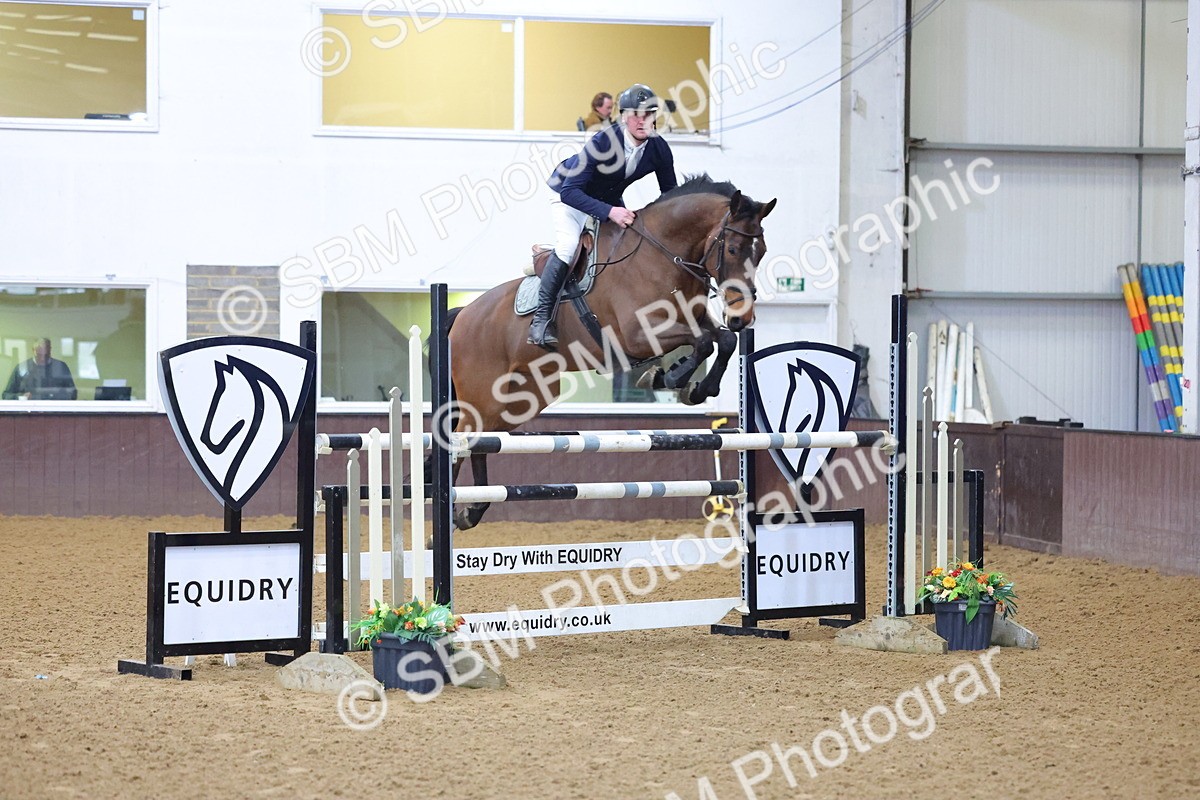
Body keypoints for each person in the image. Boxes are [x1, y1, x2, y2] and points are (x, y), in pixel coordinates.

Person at [532, 83, 678, 351]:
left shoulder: (659, 148)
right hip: (568, 194)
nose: (642, 121)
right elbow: (570, 192)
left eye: (648, 114)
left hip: (606, 199)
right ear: (623, 117)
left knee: (630, 242)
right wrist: (610, 212)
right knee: (568, 246)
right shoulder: (603, 142)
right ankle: (541, 321)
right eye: (635, 115)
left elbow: (671, 196)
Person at [3, 338, 77, 399]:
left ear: (50, 350)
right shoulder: (22, 368)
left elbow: (73, 394)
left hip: (55, 411)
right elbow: (6, 395)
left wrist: (55, 395)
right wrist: (21, 397)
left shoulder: (61, 367)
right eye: (39, 355)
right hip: (28, 411)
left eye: (46, 355)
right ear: (33, 350)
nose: (42, 359)